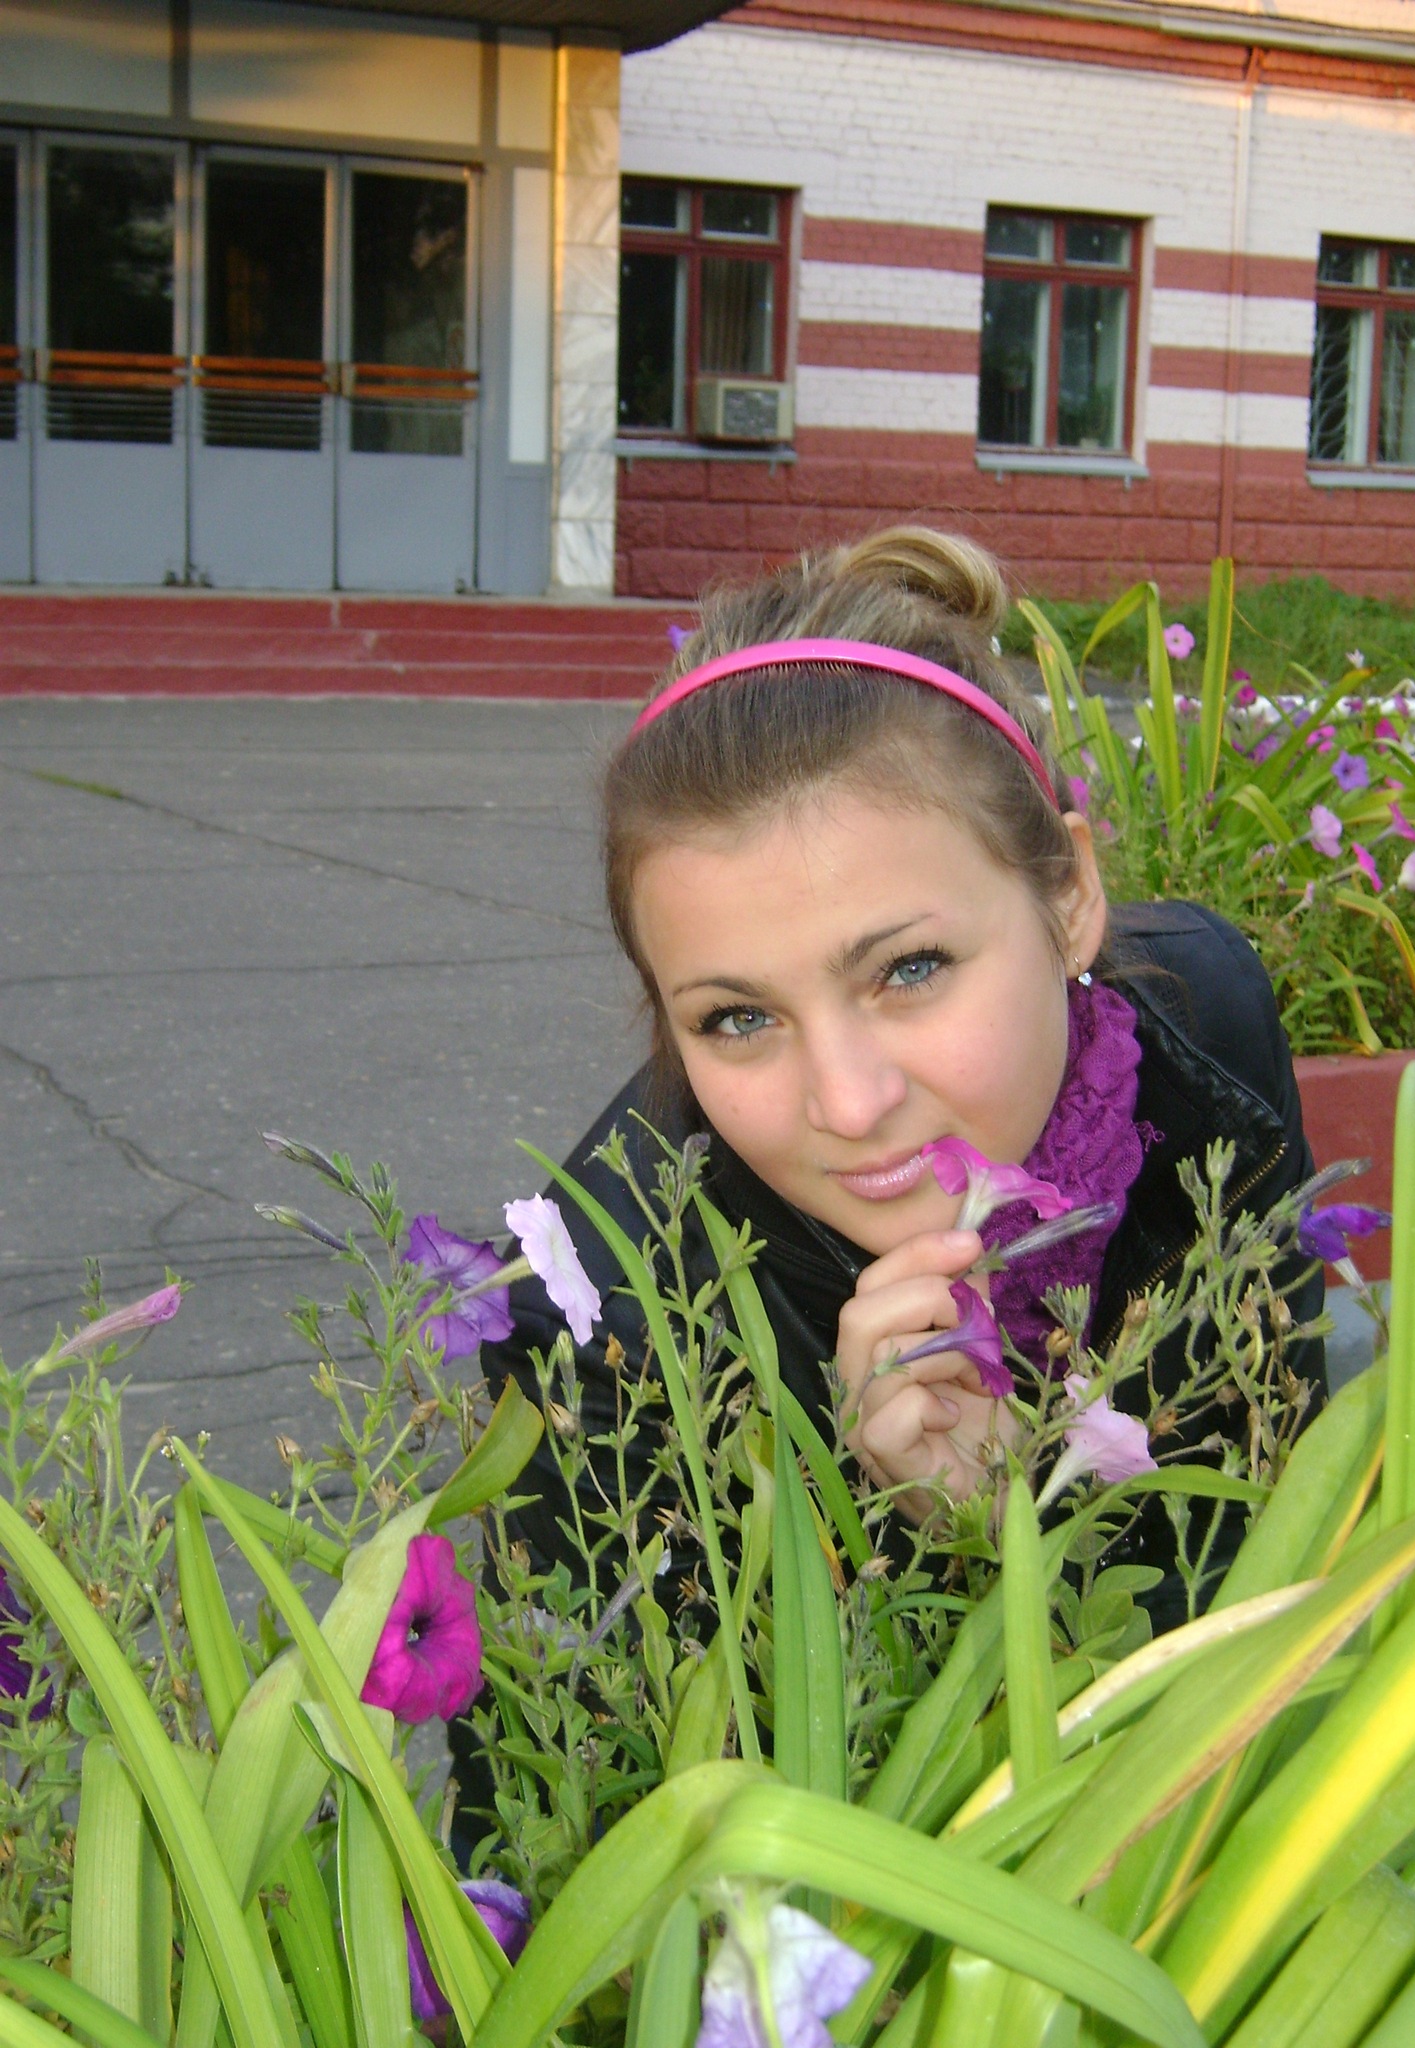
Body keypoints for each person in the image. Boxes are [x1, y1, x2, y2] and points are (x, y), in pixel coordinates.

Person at [480, 526, 1324, 1625]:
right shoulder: (598, 1328)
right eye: (739, 1017)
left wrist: (1034, 1513)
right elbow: (597, 1728)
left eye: (909, 969)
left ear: (1071, 898)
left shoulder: (1203, 1024)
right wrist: (944, 1548)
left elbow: (1291, 1522)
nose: (848, 1103)